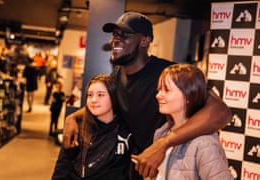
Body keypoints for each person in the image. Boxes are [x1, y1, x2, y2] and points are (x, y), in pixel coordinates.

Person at [62, 12, 231, 179]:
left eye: (125, 35)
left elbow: (222, 112)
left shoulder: (167, 74)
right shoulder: (118, 74)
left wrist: (163, 144)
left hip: (173, 164)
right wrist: (73, 118)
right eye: (115, 35)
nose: (116, 40)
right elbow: (105, 104)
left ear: (145, 41)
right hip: (141, 168)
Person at [152, 64, 233, 179]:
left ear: (188, 95)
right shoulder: (162, 133)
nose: (158, 95)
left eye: (167, 90)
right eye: (159, 90)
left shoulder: (205, 144)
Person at [52, 74, 133, 179]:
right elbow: (63, 166)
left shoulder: (126, 130)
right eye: (90, 95)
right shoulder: (79, 129)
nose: (94, 100)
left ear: (113, 97)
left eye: (100, 95)